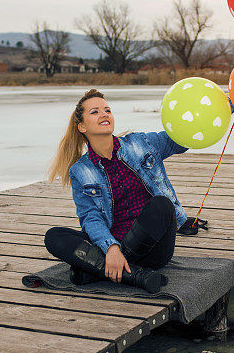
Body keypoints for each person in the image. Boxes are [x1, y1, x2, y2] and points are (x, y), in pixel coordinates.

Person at [44, 88, 196, 293]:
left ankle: (97, 270)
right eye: (95, 112)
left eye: (107, 110)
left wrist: (223, 108)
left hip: (154, 248)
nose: (104, 114)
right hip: (112, 243)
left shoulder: (141, 143)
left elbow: (180, 139)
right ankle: (136, 275)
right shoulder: (81, 170)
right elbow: (91, 217)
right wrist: (111, 247)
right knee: (54, 236)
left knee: (162, 205)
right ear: (81, 126)